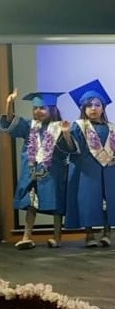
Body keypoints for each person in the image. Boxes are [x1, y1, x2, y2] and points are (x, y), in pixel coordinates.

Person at [63, 79, 115, 248]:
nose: (93, 108)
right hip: (87, 171)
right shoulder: (79, 126)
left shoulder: (112, 127)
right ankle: (89, 235)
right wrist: (66, 134)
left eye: (97, 105)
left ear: (103, 107)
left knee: (110, 201)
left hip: (110, 170)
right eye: (89, 106)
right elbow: (72, 148)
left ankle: (107, 233)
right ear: (83, 109)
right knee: (88, 202)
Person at [0, 90, 71, 249]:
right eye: (35, 108)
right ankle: (26, 236)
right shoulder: (29, 126)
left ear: (52, 109)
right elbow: (10, 122)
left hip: (53, 172)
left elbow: (69, 149)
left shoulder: (60, 127)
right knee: (31, 203)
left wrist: (66, 134)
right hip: (32, 171)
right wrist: (9, 103)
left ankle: (57, 237)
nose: (38, 111)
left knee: (56, 203)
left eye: (42, 108)